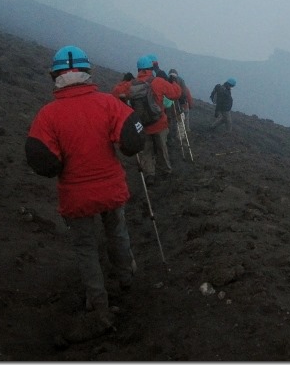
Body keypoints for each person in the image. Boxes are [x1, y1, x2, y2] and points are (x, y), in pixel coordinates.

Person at [25, 45, 145, 318]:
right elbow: (131, 139)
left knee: (85, 247)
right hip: (111, 189)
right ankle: (126, 278)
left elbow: (42, 160)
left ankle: (97, 301)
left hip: (76, 196)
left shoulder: (48, 115)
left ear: (54, 75)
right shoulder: (108, 103)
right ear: (87, 73)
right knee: (117, 232)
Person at [133, 55, 181, 186]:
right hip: (159, 123)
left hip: (142, 126)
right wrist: (174, 81)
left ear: (138, 69)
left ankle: (149, 174)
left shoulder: (131, 85)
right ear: (151, 68)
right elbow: (176, 94)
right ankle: (166, 170)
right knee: (161, 148)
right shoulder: (158, 82)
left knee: (146, 150)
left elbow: (117, 94)